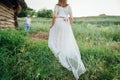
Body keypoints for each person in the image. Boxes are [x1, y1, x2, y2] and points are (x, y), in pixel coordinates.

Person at [48, 0, 86, 79]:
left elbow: (54, 16)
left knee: (57, 38)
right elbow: (71, 17)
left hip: (58, 22)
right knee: (65, 39)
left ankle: (59, 50)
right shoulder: (69, 7)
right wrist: (69, 25)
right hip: (66, 23)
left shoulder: (57, 6)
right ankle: (64, 51)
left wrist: (52, 25)